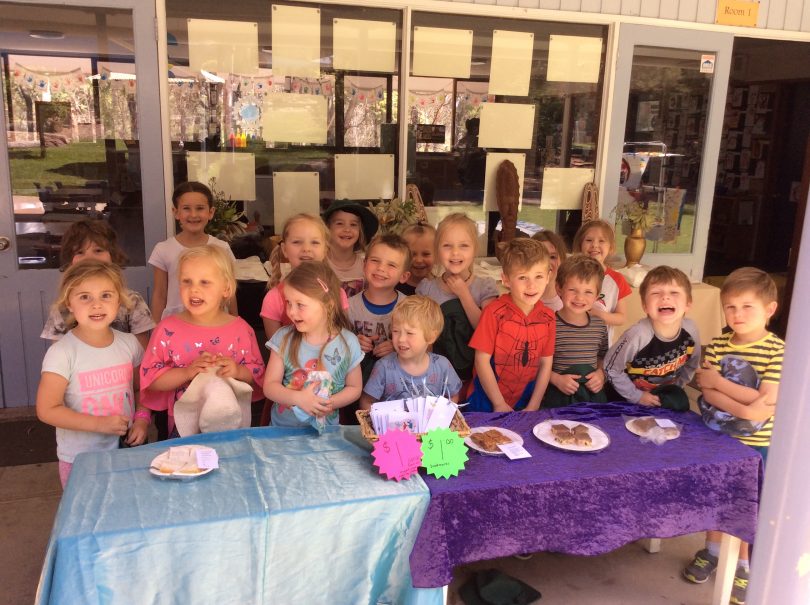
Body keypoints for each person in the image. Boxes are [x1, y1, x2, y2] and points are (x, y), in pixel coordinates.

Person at [683, 267, 784, 605]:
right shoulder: (718, 344)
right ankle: (711, 550)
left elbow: (760, 412)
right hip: (716, 439)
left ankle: (742, 566)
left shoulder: (777, 352)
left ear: (770, 309)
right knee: (715, 499)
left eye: (747, 307)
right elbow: (707, 396)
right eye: (730, 307)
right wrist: (746, 401)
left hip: (754, 445)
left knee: (743, 507)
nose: (737, 315)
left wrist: (720, 385)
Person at [36, 261, 148, 487]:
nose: (97, 305)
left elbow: (141, 389)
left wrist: (142, 421)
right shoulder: (62, 353)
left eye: (106, 295)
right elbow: (47, 409)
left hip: (126, 450)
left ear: (119, 300)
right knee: (87, 518)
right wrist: (99, 424)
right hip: (80, 459)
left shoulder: (130, 344)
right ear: (70, 303)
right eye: (85, 297)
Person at [140, 245, 265, 436]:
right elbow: (151, 380)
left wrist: (238, 370)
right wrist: (187, 373)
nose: (194, 289)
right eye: (186, 281)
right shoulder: (166, 330)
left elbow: (258, 376)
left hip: (232, 426)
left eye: (205, 282)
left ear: (226, 289)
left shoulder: (242, 330)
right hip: (182, 428)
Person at [263, 261, 363, 427]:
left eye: (300, 304)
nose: (292, 312)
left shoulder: (349, 342)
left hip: (327, 434)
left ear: (328, 306)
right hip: (283, 432)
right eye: (288, 302)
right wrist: (299, 399)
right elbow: (270, 387)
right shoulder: (283, 338)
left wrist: (329, 403)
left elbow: (354, 388)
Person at [467, 238, 555, 412]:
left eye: (538, 276)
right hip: (485, 400)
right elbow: (481, 360)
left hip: (526, 400)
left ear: (548, 277)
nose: (531, 285)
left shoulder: (548, 318)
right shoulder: (494, 313)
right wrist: (498, 403)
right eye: (522, 277)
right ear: (506, 280)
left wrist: (534, 405)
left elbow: (545, 363)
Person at [41, 219, 154, 349]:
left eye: (98, 250)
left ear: (112, 255)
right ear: (70, 259)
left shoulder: (132, 300)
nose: (90, 257)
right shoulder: (63, 306)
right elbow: (57, 355)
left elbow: (142, 353)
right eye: (80, 252)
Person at [416, 213, 499, 383]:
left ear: (475, 249)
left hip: (476, 375)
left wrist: (464, 294)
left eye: (464, 246)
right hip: (436, 376)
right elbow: (421, 335)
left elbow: (486, 330)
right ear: (437, 251)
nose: (455, 253)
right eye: (447, 246)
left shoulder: (485, 287)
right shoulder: (427, 288)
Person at [604, 265, 700, 410]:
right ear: (645, 306)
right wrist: (637, 396)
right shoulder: (638, 335)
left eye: (674, 292)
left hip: (661, 393)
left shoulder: (690, 330)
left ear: (688, 304)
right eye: (656, 293)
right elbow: (610, 368)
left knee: (681, 406)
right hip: (626, 395)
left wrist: (678, 387)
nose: (665, 297)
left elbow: (692, 363)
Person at [149, 181, 237, 320]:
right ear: (176, 212)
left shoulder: (222, 248)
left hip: (215, 320)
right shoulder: (163, 250)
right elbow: (159, 294)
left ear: (211, 212)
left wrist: (234, 321)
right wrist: (155, 330)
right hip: (176, 324)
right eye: (186, 208)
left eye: (200, 208)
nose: (193, 214)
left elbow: (230, 290)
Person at [360, 295, 462, 407]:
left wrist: (442, 413)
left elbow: (453, 395)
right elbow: (366, 402)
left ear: (431, 337)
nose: (401, 339)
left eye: (410, 333)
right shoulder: (383, 367)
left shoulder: (443, 365)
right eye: (395, 331)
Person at [260, 213, 343, 341]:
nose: (306, 248)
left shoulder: (336, 293)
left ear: (325, 249)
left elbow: (344, 340)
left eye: (315, 242)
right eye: (297, 242)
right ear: (284, 249)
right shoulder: (273, 298)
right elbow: (277, 349)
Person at [543, 254, 609, 407]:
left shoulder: (599, 326)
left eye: (588, 292)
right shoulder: (548, 324)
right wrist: (556, 379)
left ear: (597, 295)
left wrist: (601, 374)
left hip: (591, 400)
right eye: (573, 289)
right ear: (559, 288)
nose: (580, 298)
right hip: (557, 399)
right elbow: (536, 365)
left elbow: (603, 357)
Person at [573, 219, 630, 345]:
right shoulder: (571, 274)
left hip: (600, 348)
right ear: (580, 245)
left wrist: (600, 315)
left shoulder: (617, 279)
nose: (594, 245)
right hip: (572, 342)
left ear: (611, 247)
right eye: (588, 240)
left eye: (601, 241)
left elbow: (621, 318)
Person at [323, 199, 379, 298]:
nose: (347, 229)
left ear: (360, 231)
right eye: (339, 223)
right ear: (327, 228)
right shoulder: (320, 263)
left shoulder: (366, 266)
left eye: (353, 225)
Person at [531, 230, 568, 312]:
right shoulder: (520, 299)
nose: (546, 262)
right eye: (540, 256)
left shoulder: (569, 302)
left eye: (552, 257)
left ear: (562, 260)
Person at [397, 223, 436, 296]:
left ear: (437, 255)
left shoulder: (440, 288)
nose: (419, 260)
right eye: (412, 254)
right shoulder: (393, 286)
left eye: (426, 254)